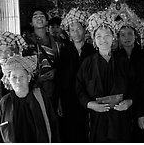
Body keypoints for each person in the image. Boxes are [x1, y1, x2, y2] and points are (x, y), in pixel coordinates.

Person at [76, 11, 134, 142]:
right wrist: (89, 104)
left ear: (113, 37)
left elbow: (134, 85)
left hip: (120, 118)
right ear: (94, 40)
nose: (103, 40)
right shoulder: (87, 63)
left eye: (107, 35)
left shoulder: (122, 61)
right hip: (97, 118)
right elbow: (79, 88)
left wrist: (129, 102)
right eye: (99, 36)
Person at [0, 55, 60, 143]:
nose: (18, 81)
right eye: (14, 77)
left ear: (29, 78)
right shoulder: (4, 103)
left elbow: (53, 126)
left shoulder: (40, 97)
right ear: (9, 80)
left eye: (22, 76)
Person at [56, 8, 96, 142]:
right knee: (71, 130)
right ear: (68, 33)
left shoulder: (92, 50)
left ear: (85, 29)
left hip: (89, 97)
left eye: (78, 29)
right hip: (69, 98)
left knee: (89, 130)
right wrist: (60, 101)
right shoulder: (65, 51)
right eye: (72, 30)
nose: (76, 33)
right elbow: (60, 79)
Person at [0, 31, 26, 143]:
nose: (3, 54)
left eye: (7, 50)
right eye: (0, 51)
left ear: (13, 52)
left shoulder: (21, 69)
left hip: (16, 116)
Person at [22, 8, 59, 107]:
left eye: (42, 16)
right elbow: (22, 66)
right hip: (35, 86)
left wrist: (56, 71)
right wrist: (37, 78)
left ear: (46, 21)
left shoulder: (57, 42)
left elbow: (64, 62)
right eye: (35, 16)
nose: (39, 18)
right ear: (31, 23)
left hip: (55, 86)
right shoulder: (25, 43)